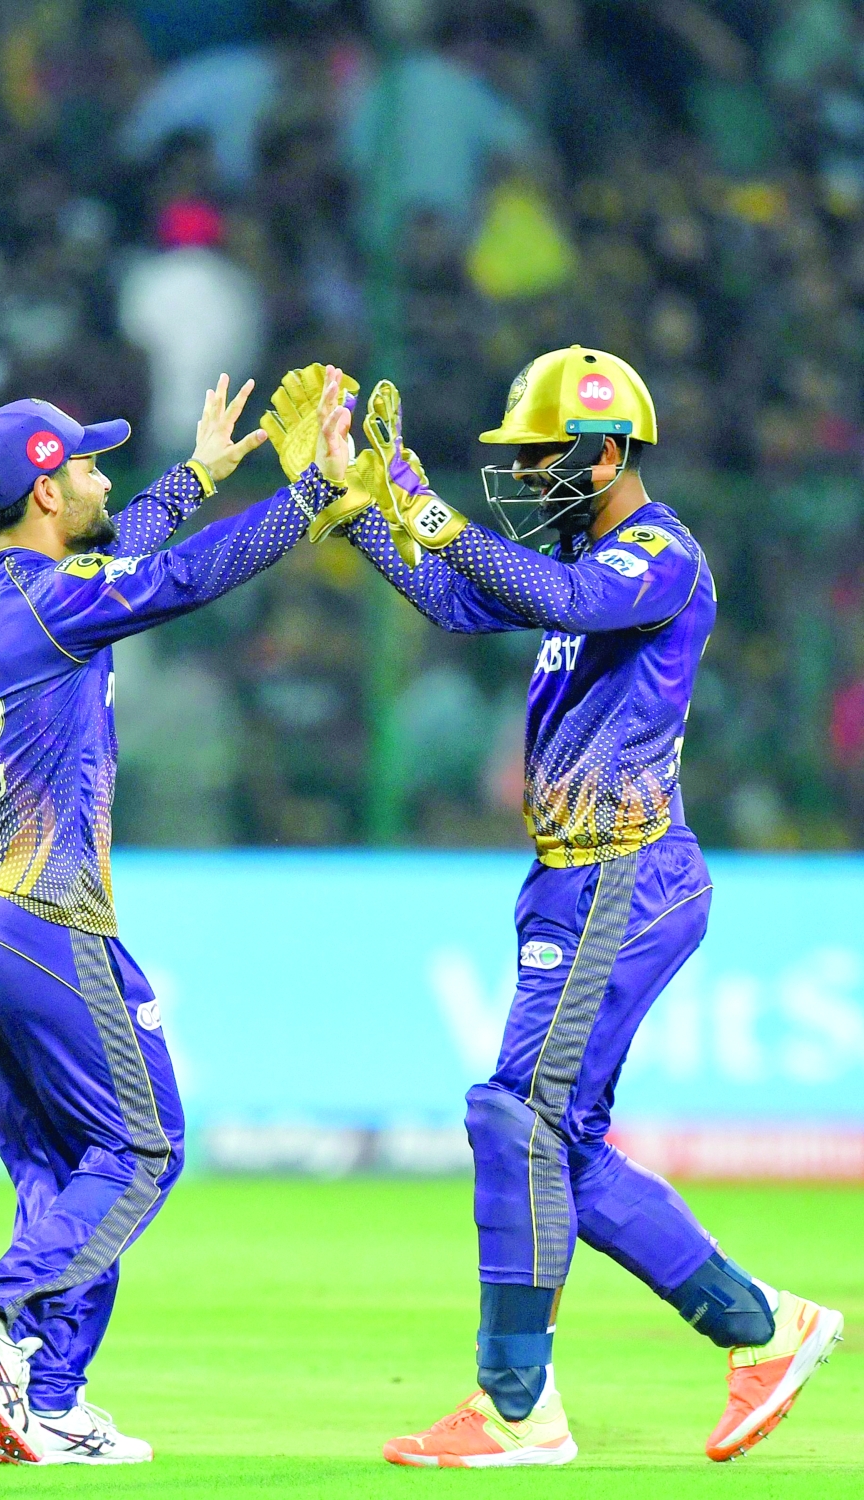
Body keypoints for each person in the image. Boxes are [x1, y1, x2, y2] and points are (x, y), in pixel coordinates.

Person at [311, 347, 844, 1467]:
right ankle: (763, 1327)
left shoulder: (655, 555)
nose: (522, 474)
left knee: (513, 1116)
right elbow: (458, 603)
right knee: (562, 1144)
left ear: (604, 454)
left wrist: (435, 515)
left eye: (540, 455)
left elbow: (563, 598)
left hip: (624, 873)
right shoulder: (579, 554)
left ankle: (516, 1405)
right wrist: (359, 511)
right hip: (573, 879)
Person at [0, 367, 353, 1465]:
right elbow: (179, 579)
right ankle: (3, 1322)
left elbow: (126, 556)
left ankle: (48, 1400)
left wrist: (196, 474)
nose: (107, 479)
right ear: (47, 492)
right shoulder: (56, 605)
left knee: (64, 1173)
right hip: (41, 912)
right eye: (90, 466)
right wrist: (310, 496)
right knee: (143, 1146)